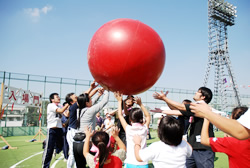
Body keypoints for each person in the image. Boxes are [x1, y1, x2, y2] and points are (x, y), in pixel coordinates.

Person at [152, 87, 215, 168]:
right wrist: (162, 110)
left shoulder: (201, 106)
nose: (195, 92)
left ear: (203, 97)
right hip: (193, 147)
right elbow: (177, 110)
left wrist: (165, 98)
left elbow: (181, 107)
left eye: (198, 92)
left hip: (204, 148)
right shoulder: (195, 108)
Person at [73, 87, 109, 168]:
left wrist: (98, 95)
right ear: (86, 102)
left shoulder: (79, 110)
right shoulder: (89, 111)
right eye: (90, 99)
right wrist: (107, 90)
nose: (92, 100)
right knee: (95, 164)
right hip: (86, 143)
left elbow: (90, 104)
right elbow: (104, 101)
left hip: (76, 143)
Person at [66, 81, 98, 168]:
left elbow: (87, 97)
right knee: (73, 153)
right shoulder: (73, 107)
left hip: (76, 131)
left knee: (78, 153)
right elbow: (85, 96)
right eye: (75, 97)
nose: (77, 97)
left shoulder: (80, 107)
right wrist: (92, 88)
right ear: (72, 102)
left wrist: (96, 91)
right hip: (72, 131)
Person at [114, 92, 150, 168]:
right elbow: (148, 116)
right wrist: (141, 104)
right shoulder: (144, 129)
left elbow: (120, 115)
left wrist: (119, 101)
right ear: (141, 118)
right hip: (143, 163)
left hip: (130, 162)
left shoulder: (128, 129)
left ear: (130, 119)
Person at [42, 93, 69, 168]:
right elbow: (60, 111)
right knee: (48, 150)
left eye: (59, 96)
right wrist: (67, 104)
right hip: (52, 129)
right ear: (52, 99)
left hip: (59, 129)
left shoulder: (60, 105)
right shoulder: (51, 105)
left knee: (61, 145)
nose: (59, 98)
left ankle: (56, 149)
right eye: (57, 97)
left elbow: (66, 114)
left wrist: (69, 107)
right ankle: (45, 166)